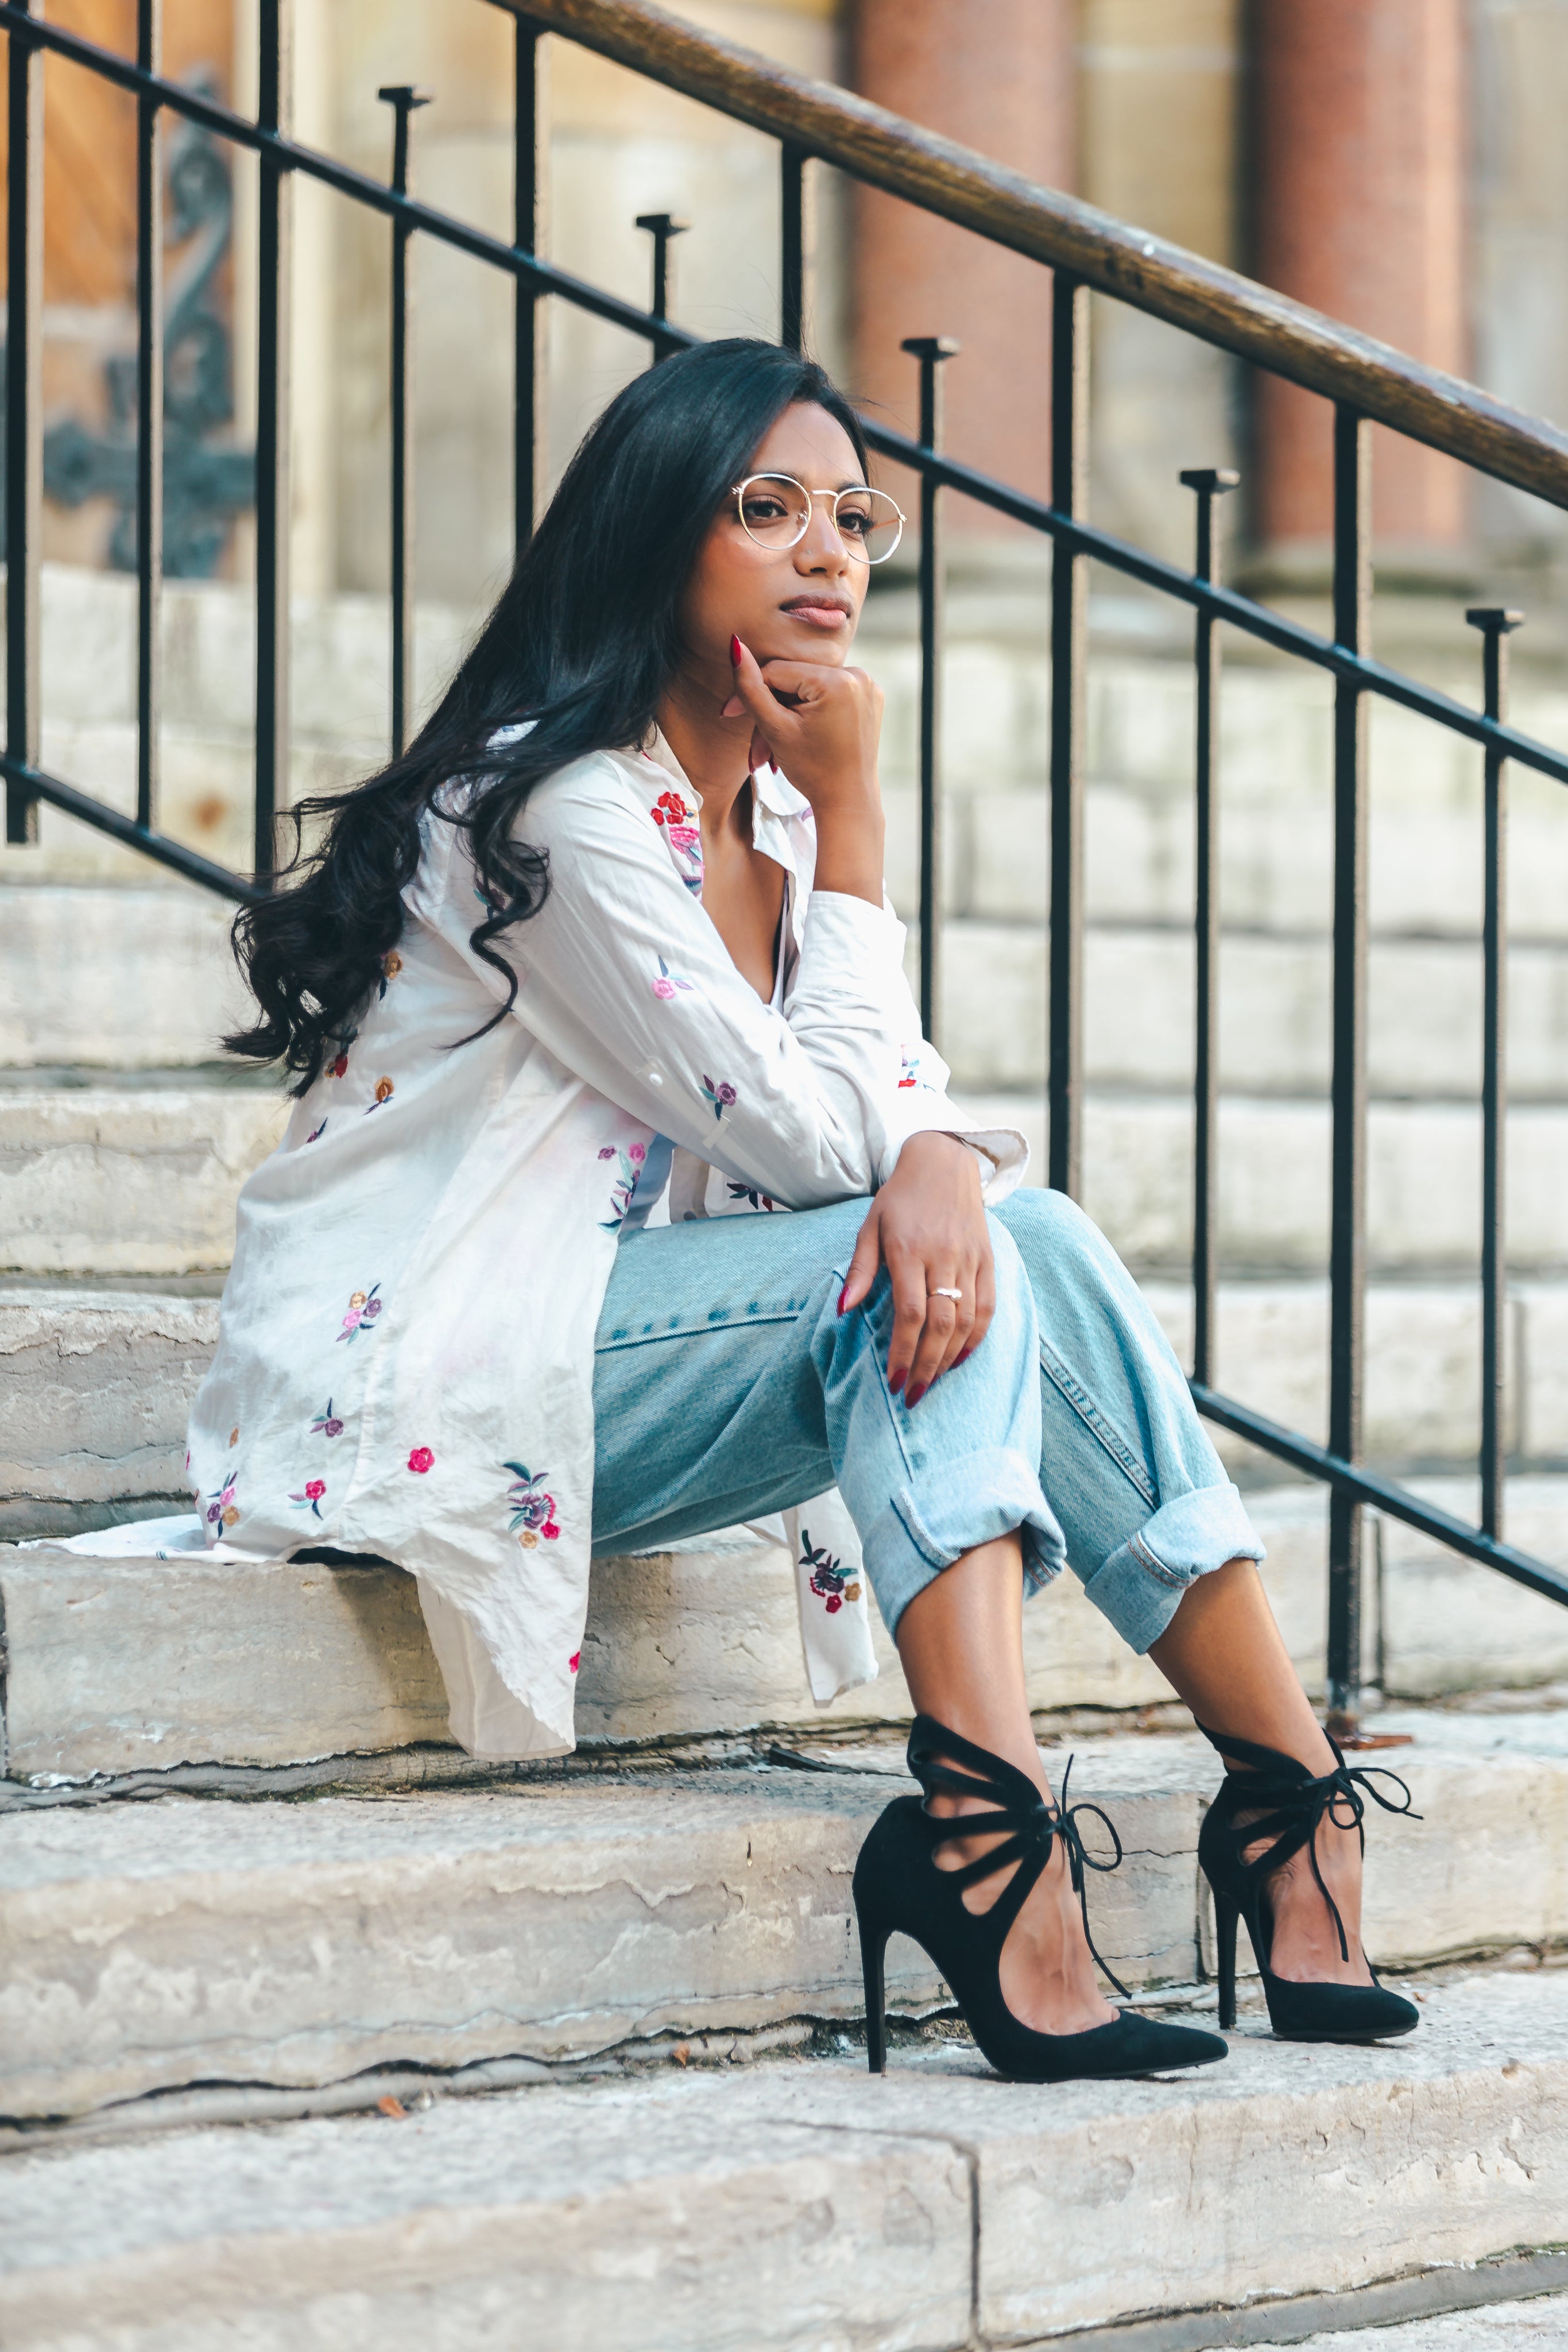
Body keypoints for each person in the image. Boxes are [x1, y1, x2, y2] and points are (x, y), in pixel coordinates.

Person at [199, 337, 1417, 2083]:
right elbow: (797, 1135)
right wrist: (858, 834)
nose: (826, 553)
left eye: (853, 516)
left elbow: (876, 1131)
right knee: (962, 1242)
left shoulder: (752, 806)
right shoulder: (556, 811)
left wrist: (932, 1142)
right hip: (422, 1368)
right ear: (652, 535)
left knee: (1031, 1240)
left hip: (615, 1346)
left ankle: (1282, 1794)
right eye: (763, 509)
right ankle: (992, 1846)